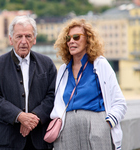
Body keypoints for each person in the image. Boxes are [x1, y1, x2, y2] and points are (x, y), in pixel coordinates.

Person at [50, 19, 127, 150]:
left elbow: (119, 102)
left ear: (88, 40)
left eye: (76, 37)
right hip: (68, 130)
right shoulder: (63, 70)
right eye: (68, 38)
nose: (71, 41)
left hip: (96, 127)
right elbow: (57, 104)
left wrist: (106, 124)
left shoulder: (100, 64)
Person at [0, 15, 57, 150]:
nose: (24, 41)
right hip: (6, 142)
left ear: (34, 39)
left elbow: (53, 95)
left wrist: (33, 118)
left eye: (28, 36)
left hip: (39, 142)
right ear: (11, 39)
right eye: (19, 36)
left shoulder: (47, 64)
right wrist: (20, 116)